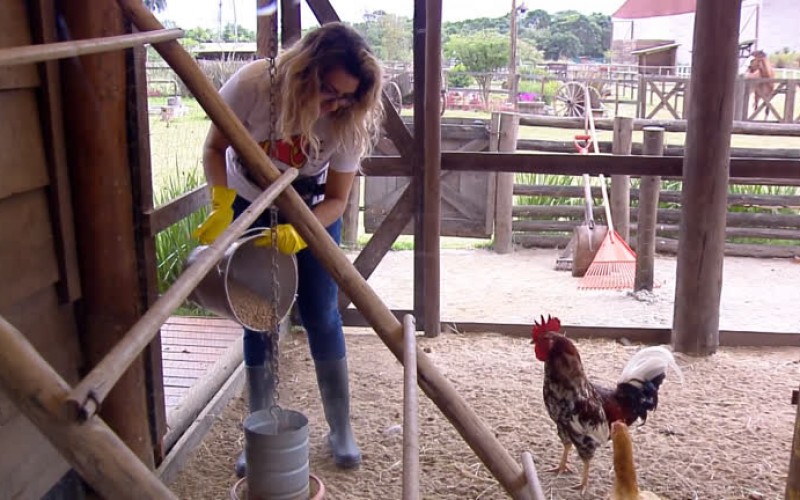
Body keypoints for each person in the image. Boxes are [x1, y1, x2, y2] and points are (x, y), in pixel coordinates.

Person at [193, 22, 384, 476]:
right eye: (328, 90)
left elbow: (338, 198)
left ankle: (340, 429)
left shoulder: (347, 120)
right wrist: (221, 203)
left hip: (312, 207)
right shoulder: (256, 85)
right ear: (306, 71)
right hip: (248, 201)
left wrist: (302, 232)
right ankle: (257, 431)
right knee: (258, 315)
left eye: (346, 96)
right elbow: (216, 146)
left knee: (321, 313)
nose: (335, 103)